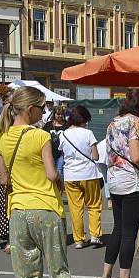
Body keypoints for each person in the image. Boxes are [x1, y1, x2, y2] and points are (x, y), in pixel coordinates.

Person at [0, 86, 81, 278]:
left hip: (18, 212)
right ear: (30, 109)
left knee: (27, 275)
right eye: (42, 108)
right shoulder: (40, 137)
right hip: (46, 209)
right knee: (58, 271)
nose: (44, 113)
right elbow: (52, 174)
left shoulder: (2, 138)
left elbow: (3, 178)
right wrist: (62, 183)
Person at [100, 89, 139, 278]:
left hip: (114, 180)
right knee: (129, 233)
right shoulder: (134, 123)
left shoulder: (112, 123)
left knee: (118, 229)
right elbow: (136, 156)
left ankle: (105, 276)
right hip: (130, 181)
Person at [59, 105, 103, 249]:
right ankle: (95, 235)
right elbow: (95, 156)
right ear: (84, 119)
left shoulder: (63, 134)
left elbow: (63, 154)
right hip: (89, 174)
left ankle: (79, 239)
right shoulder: (88, 133)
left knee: (75, 208)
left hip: (70, 175)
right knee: (94, 205)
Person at [44, 106, 67, 180]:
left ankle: (60, 189)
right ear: (54, 114)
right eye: (58, 114)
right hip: (50, 152)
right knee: (51, 171)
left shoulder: (67, 125)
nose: (60, 116)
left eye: (61, 114)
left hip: (61, 153)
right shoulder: (48, 125)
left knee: (60, 171)